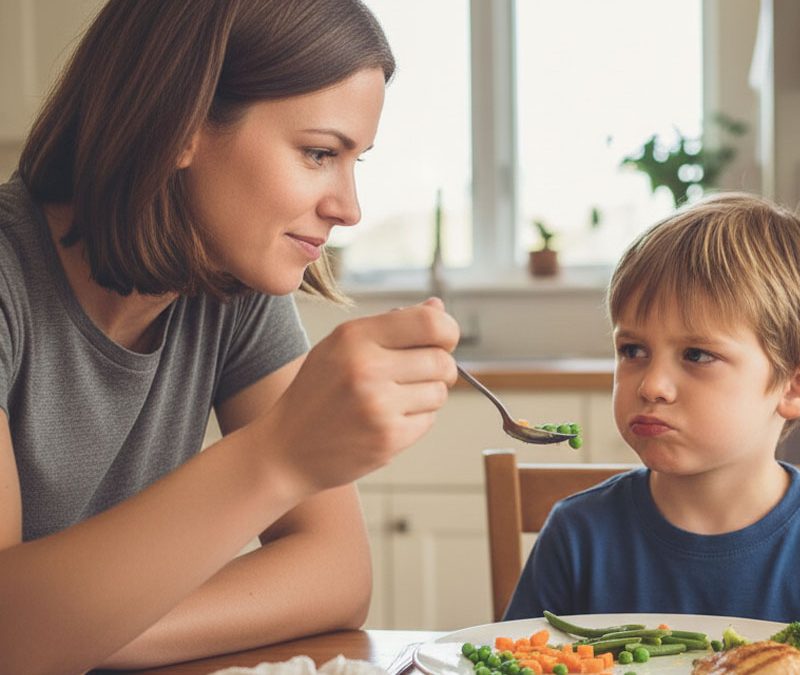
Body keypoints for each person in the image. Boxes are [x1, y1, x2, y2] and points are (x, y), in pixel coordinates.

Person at [0, 1, 460, 672]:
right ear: (179, 126)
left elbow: (337, 569)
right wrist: (280, 452)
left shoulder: (224, 281)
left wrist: (80, 631)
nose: (349, 208)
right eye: (320, 153)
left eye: (353, 160)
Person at [503, 193, 800, 638]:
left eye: (697, 354)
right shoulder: (577, 533)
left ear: (797, 385)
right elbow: (514, 663)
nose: (651, 385)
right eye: (633, 350)